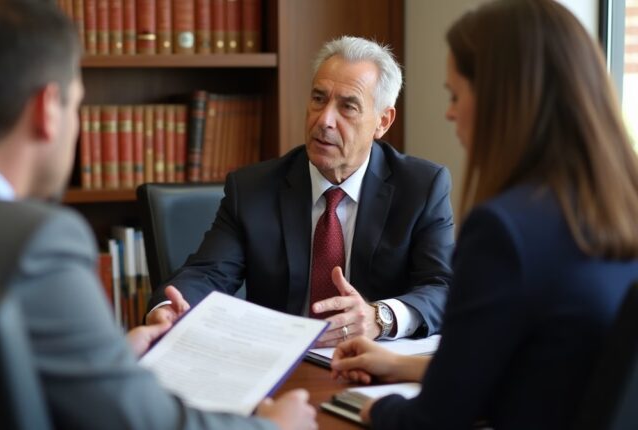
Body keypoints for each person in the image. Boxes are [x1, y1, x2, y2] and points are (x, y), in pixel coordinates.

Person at [0, 1, 317, 429]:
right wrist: (270, 426)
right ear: (47, 110)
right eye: (76, 104)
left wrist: (104, 360)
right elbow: (139, 423)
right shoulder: (36, 243)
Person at [330, 0, 638, 428]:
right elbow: (550, 366)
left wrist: (372, 408)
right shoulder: (618, 209)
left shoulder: (505, 231)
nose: (449, 112)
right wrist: (404, 366)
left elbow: (434, 421)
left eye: (456, 94)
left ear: (501, 99)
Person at [148, 36, 455, 347]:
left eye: (347, 107)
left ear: (382, 121)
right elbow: (208, 274)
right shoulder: (253, 189)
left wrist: (381, 318)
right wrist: (168, 309)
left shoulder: (421, 187)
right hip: (278, 364)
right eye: (319, 99)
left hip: (372, 366)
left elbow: (443, 288)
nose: (324, 120)